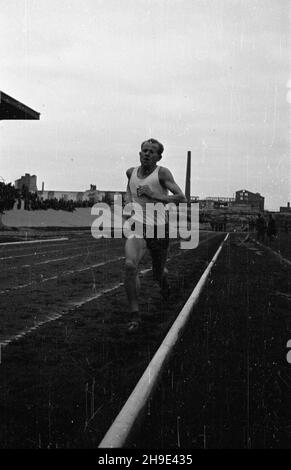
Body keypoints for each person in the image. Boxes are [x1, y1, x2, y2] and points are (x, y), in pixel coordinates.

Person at [124, 138, 187, 332]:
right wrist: (130, 206)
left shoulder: (162, 173)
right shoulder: (130, 172)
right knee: (129, 265)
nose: (147, 154)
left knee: (157, 273)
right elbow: (129, 188)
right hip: (138, 225)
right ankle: (135, 315)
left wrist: (155, 195)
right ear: (139, 153)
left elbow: (181, 197)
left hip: (159, 228)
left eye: (152, 151)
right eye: (144, 150)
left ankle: (164, 283)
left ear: (158, 156)